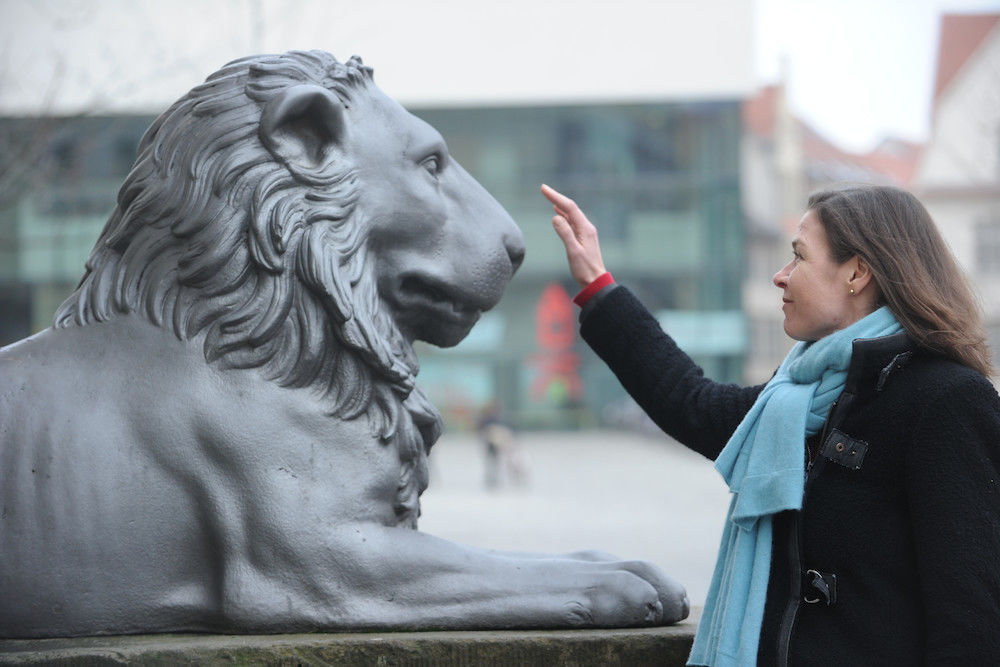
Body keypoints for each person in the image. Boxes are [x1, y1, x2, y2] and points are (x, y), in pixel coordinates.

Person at [541, 182, 1000, 666]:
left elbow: (974, 624)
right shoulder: (797, 399)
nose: (780, 277)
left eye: (799, 257)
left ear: (857, 272)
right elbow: (692, 403)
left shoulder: (948, 400)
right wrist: (597, 284)